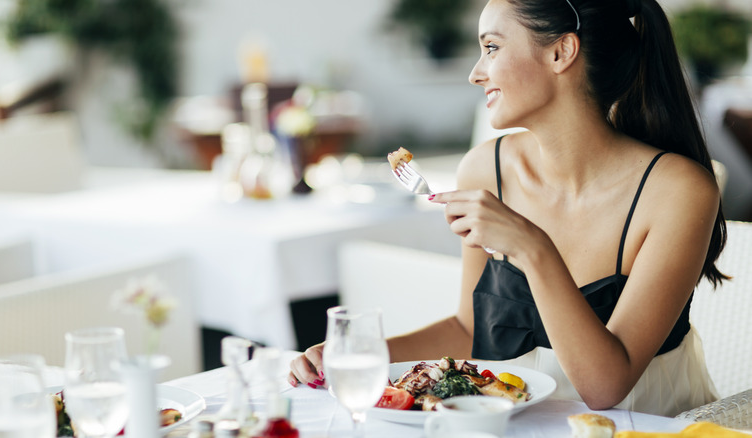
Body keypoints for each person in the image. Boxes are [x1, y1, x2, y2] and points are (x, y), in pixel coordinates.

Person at [289, 0, 727, 417]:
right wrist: (355, 356)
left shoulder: (678, 191)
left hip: (648, 424)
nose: (476, 74)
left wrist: (531, 248)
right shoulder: (485, 169)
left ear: (561, 51)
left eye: (492, 48)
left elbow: (605, 388)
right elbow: (469, 329)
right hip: (515, 419)